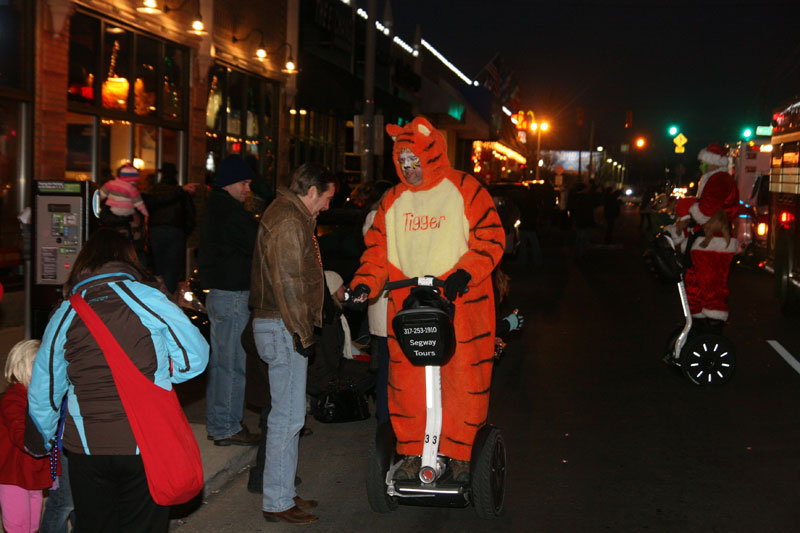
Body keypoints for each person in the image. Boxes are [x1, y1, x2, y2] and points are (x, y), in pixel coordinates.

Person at [347, 116, 505, 483]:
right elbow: (376, 253)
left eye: (414, 161)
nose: (410, 169)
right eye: (403, 163)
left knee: (463, 382)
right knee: (407, 387)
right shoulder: (392, 201)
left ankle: (463, 453)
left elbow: (491, 236)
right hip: (407, 307)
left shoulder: (465, 188)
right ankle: (412, 452)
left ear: (431, 154)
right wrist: (364, 284)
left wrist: (464, 273)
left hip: (461, 307)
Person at [26, 228, 208, 532]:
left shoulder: (66, 312)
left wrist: (39, 438)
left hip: (87, 449)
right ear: (130, 260)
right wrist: (158, 375)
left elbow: (46, 388)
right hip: (144, 444)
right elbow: (195, 357)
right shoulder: (148, 297)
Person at [249, 162, 336, 524]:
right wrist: (302, 333)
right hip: (283, 326)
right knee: (288, 418)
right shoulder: (288, 220)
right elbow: (287, 285)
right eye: (327, 198)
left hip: (281, 325)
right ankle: (278, 501)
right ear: (312, 191)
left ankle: (282, 492)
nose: (329, 206)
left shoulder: (292, 215)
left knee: (289, 416)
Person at [198, 154, 260, 446]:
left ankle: (220, 422)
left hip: (222, 294)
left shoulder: (217, 207)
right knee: (232, 364)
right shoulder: (230, 211)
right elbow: (256, 243)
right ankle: (227, 427)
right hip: (232, 294)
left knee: (222, 363)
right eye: (244, 183)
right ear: (230, 182)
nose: (247, 189)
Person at [665, 143, 739, 334]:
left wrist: (686, 206)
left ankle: (713, 325)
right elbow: (699, 214)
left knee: (711, 284)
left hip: (714, 242)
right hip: (703, 241)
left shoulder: (721, 179)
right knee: (695, 283)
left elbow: (705, 210)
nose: (700, 167)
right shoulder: (712, 179)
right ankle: (698, 322)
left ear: (710, 162)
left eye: (702, 163)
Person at [0, 340, 53, 533]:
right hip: (13, 474)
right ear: (22, 366)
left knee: (31, 525)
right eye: (38, 366)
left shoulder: (34, 397)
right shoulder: (15, 397)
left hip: (31, 472)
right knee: (17, 525)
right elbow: (18, 430)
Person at [145, 162, 196, 293]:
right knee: (172, 269)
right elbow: (190, 216)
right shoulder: (180, 192)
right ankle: (168, 297)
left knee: (159, 267)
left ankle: (160, 294)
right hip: (175, 231)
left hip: (157, 231)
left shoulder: (154, 190)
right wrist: (184, 232)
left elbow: (149, 207)